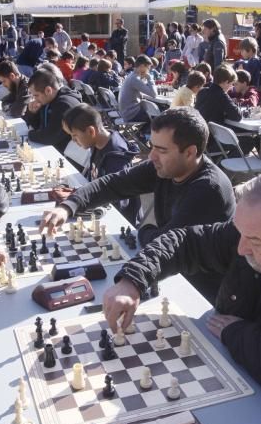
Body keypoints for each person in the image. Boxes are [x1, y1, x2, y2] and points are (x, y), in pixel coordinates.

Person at [102, 167, 261, 424]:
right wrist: (133, 280)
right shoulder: (252, 232)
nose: (241, 249)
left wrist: (236, 333)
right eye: (239, 232)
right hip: (241, 379)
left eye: (254, 241)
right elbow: (183, 241)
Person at [41, 107, 235, 299]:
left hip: (200, 293)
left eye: (161, 150)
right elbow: (113, 184)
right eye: (152, 147)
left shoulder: (208, 189)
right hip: (167, 272)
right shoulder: (167, 166)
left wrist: (144, 229)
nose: (151, 156)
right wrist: (69, 206)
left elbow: (165, 243)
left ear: (190, 152)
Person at [23, 65, 81, 152]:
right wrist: (32, 114)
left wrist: (28, 135)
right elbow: (38, 127)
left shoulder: (64, 104)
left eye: (36, 95)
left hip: (65, 156)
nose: (35, 99)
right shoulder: (49, 99)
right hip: (51, 149)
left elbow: (49, 137)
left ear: (48, 90)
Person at [195, 63, 242, 149]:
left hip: (198, 135)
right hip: (212, 139)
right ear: (226, 82)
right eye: (231, 84)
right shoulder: (221, 95)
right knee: (248, 141)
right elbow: (237, 116)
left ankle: (219, 158)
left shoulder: (202, 91)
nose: (231, 87)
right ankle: (220, 161)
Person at [118, 54, 158, 122]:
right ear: (142, 66)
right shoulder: (135, 79)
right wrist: (150, 78)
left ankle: (143, 132)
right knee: (157, 117)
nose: (148, 70)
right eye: (148, 68)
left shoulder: (131, 75)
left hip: (126, 112)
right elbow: (154, 94)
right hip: (131, 115)